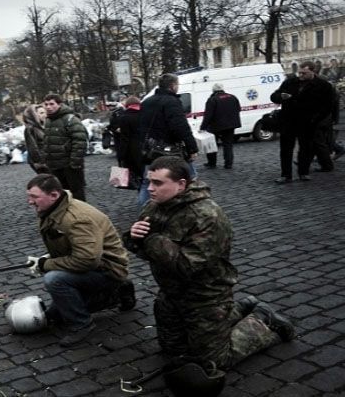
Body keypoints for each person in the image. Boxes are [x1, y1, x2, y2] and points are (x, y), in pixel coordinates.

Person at [124, 156, 295, 378]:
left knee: (212, 361)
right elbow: (145, 250)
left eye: (158, 183)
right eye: (149, 182)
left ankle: (264, 320)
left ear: (181, 184)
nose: (150, 189)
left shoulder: (207, 215)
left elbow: (187, 265)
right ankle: (241, 308)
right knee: (173, 350)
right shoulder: (154, 206)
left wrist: (150, 239)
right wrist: (133, 237)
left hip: (205, 296)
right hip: (171, 294)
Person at [26, 174, 136, 347]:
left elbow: (86, 260)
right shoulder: (54, 209)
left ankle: (82, 325)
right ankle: (120, 291)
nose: (30, 202)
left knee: (53, 279)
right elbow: (73, 247)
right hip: (95, 266)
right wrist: (46, 257)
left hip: (107, 270)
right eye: (29, 196)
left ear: (54, 195)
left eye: (34, 197)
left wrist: (45, 265)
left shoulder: (77, 218)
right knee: (54, 316)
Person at [137, 73, 199, 208]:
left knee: (148, 182)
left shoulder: (147, 102)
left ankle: (146, 212)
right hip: (170, 150)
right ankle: (187, 208)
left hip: (150, 149)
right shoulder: (172, 102)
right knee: (189, 178)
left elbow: (141, 126)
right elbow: (181, 127)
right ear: (172, 86)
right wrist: (192, 148)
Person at [270, 61, 338, 182]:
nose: (301, 75)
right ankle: (286, 175)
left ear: (312, 71)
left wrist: (316, 119)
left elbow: (328, 105)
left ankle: (303, 172)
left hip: (308, 122)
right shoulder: (290, 82)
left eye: (304, 73)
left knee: (306, 148)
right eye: (299, 72)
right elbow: (274, 96)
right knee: (286, 149)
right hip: (288, 121)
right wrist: (281, 97)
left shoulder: (323, 85)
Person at [41, 94, 88, 201]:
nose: (48, 107)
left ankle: (81, 215)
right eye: (46, 104)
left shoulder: (71, 119)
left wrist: (74, 163)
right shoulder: (48, 120)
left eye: (52, 104)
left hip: (69, 165)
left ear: (59, 105)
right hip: (55, 165)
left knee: (77, 194)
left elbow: (80, 141)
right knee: (61, 193)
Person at [200, 83, 241, 169]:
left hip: (216, 126)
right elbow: (238, 109)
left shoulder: (212, 99)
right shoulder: (232, 97)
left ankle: (212, 163)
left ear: (213, 90)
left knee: (212, 145)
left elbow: (208, 115)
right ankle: (228, 164)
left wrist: (203, 127)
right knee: (228, 145)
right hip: (230, 125)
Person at [112, 96, 144, 189]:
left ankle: (140, 194)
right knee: (145, 176)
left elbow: (124, 138)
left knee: (136, 177)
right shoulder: (145, 114)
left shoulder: (124, 117)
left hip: (132, 150)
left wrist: (121, 154)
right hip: (145, 148)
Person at [22, 104, 49, 174]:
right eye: (41, 113)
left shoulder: (43, 127)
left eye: (45, 112)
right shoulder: (30, 129)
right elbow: (32, 147)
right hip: (41, 162)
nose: (45, 115)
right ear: (33, 115)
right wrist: (39, 162)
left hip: (48, 160)